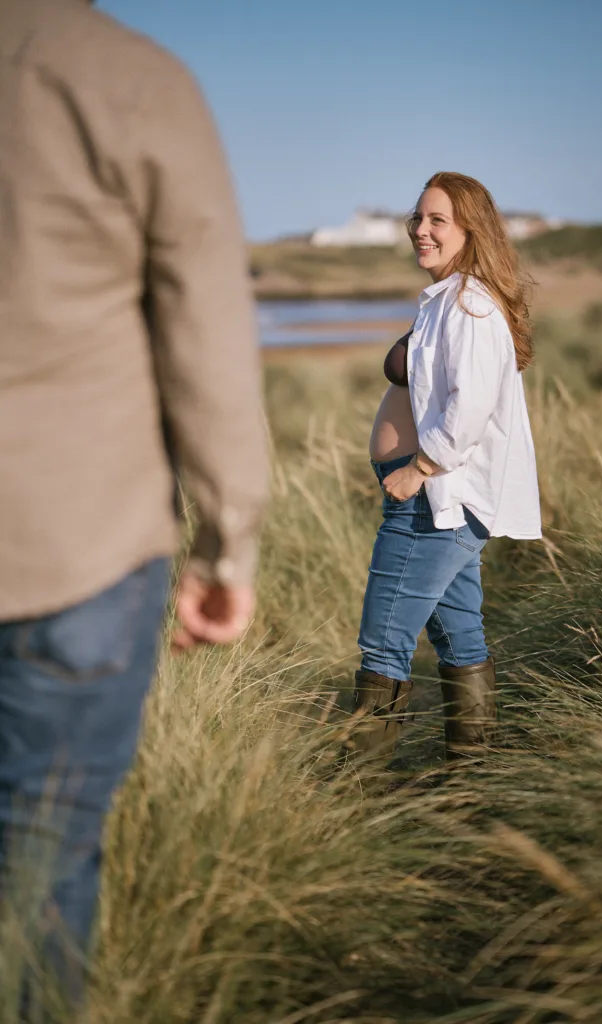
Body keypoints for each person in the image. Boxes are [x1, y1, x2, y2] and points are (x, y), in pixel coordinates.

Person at [0, 0, 269, 1013]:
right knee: (42, 858)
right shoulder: (129, 79)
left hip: (81, 551)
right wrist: (226, 545)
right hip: (74, 543)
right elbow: (207, 339)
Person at [344, 172, 541, 764]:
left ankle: (361, 795)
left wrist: (419, 468)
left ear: (469, 231)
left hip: (434, 499)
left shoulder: (469, 305)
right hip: (433, 497)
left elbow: (472, 405)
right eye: (418, 219)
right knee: (459, 634)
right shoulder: (445, 300)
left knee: (384, 643)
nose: (421, 231)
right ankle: (473, 776)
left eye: (438, 221)